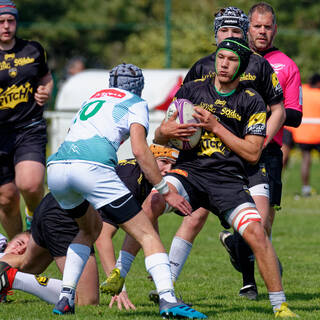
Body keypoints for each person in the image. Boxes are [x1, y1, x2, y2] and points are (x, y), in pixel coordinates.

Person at [108, 37, 298, 318]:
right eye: (221, 57)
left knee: (257, 233)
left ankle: (279, 305)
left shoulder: (251, 100)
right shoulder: (192, 90)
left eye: (232, 60)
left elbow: (253, 153)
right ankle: (119, 272)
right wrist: (168, 132)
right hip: (190, 173)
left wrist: (215, 126)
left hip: (229, 180)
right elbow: (160, 133)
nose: (224, 64)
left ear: (241, 66)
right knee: (153, 202)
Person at [46, 62, 206, 318]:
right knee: (147, 235)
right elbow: (141, 151)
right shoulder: (135, 103)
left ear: (111, 83)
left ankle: (66, 297)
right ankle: (168, 299)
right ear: (139, 87)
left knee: (89, 230)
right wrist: (166, 191)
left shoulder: (93, 98)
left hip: (56, 169)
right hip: (92, 169)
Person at [149, 6, 284, 302]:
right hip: (204, 162)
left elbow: (278, 110)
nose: (231, 37)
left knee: (256, 224)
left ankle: (255, 283)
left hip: (249, 158)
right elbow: (175, 118)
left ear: (245, 35)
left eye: (237, 31)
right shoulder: (200, 70)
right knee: (191, 217)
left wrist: (259, 142)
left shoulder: (259, 67)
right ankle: (164, 281)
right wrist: (168, 146)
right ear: (216, 36)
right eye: (225, 31)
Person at [219, 2, 303, 300]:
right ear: (247, 28)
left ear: (275, 29)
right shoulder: (231, 59)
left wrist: (264, 106)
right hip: (231, 149)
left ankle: (236, 243)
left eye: (268, 27)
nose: (263, 31)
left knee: (263, 223)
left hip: (269, 150)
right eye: (257, 26)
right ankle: (249, 283)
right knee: (249, 217)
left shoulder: (286, 65)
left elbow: (294, 115)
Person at [0, 0, 54, 238]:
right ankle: (17, 246)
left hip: (28, 127)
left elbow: (46, 77)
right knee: (7, 198)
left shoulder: (33, 50)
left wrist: (46, 89)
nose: (6, 26)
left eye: (10, 21)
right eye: (1, 22)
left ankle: (33, 214)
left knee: (30, 184)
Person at [290, 73, 320, 196]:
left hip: (303, 133)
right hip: (317, 133)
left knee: (306, 159)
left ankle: (305, 189)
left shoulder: (303, 91)